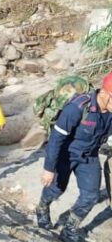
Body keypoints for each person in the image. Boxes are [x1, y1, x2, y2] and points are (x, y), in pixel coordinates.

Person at [36, 72, 112, 242]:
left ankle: (69, 229)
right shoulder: (78, 107)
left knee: (91, 196)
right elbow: (56, 139)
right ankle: (42, 207)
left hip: (89, 156)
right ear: (104, 93)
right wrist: (49, 168)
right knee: (56, 189)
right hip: (66, 154)